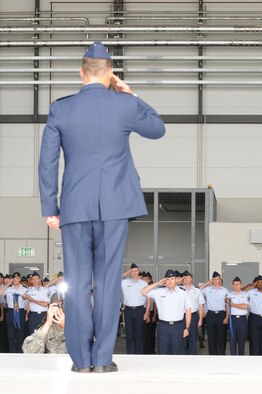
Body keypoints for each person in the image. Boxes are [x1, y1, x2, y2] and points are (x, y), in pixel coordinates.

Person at [38, 40, 165, 373]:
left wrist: (50, 207)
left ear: (81, 73)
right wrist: (130, 93)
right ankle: (102, 359)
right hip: (115, 207)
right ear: (111, 75)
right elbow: (157, 128)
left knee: (77, 282)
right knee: (109, 282)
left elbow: (47, 162)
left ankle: (80, 362)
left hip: (75, 208)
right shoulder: (123, 105)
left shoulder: (61, 109)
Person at [141, 270, 192, 355]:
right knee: (162, 352)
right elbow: (142, 292)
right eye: (167, 279)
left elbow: (188, 310)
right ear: (165, 281)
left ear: (176, 280)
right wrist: (157, 283)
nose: (170, 281)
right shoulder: (159, 292)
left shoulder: (183, 293)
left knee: (177, 352)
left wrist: (187, 328)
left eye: (172, 279)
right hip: (163, 326)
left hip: (178, 327)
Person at [121, 263, 150, 354]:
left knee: (139, 334)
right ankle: (130, 354)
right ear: (130, 272)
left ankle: (139, 354)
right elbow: (115, 279)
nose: (134, 272)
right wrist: (127, 273)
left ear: (139, 271)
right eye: (132, 271)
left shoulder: (144, 283)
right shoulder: (125, 282)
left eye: (136, 270)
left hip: (140, 310)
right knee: (129, 334)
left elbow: (148, 298)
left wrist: (147, 312)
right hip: (128, 310)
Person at [201, 271, 229, 355]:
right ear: (212, 280)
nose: (216, 281)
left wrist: (226, 317)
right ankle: (212, 356)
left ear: (220, 280)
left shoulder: (225, 290)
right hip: (211, 315)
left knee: (221, 337)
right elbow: (198, 290)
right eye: (214, 279)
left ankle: (220, 355)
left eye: (218, 279)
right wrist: (207, 283)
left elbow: (227, 305)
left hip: (221, 315)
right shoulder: (207, 290)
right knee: (211, 337)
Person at [0, 272, 27, 353]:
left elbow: (29, 302)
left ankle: (19, 351)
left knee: (20, 333)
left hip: (20, 312)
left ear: (19, 278)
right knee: (10, 334)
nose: (15, 280)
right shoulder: (8, 289)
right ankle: (12, 352)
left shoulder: (25, 289)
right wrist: (8, 284)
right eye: (14, 278)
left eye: (17, 278)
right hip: (11, 312)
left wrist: (27, 314)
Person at [182, 270, 205, 355]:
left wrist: (200, 319)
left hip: (193, 315)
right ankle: (183, 356)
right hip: (182, 316)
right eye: (184, 277)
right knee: (183, 337)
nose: (186, 279)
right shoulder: (179, 290)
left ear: (192, 279)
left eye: (188, 277)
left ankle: (192, 357)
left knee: (192, 336)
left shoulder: (197, 290)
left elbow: (201, 305)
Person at [226, 276, 248, 355]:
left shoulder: (245, 294)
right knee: (232, 340)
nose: (236, 286)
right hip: (232, 319)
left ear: (241, 284)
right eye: (234, 284)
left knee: (242, 340)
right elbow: (227, 307)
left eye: (238, 284)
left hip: (242, 320)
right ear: (232, 285)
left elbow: (245, 306)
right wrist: (226, 317)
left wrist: (233, 304)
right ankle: (233, 358)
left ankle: (241, 359)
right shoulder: (229, 295)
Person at [246, 274, 262, 355]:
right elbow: (241, 292)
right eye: (258, 282)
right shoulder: (251, 292)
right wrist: (251, 285)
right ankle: (254, 359)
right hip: (254, 318)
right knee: (254, 340)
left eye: (261, 282)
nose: (260, 284)